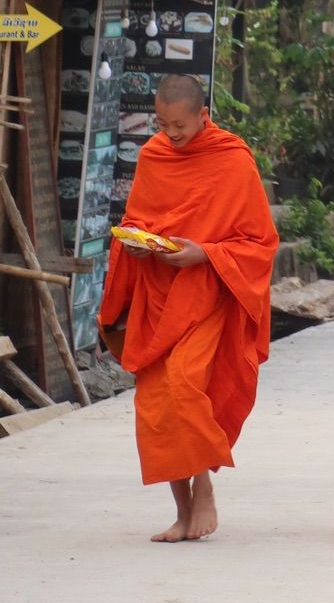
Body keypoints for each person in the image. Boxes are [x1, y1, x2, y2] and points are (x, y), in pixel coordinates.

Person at [98, 74, 278, 543]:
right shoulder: (154, 156)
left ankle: (204, 486)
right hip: (157, 294)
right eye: (162, 124)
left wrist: (205, 253)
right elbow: (137, 218)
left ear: (203, 115)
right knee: (155, 405)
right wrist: (134, 243)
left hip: (206, 295)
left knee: (185, 387)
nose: (171, 134)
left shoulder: (232, 159)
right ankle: (182, 512)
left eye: (179, 125)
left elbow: (259, 241)